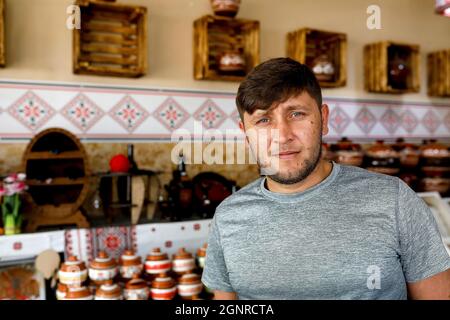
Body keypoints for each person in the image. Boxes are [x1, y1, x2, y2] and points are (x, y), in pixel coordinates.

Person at [201, 57, 450, 300]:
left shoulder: (394, 199)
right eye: (263, 120)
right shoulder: (228, 216)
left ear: (324, 119)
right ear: (246, 134)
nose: (282, 136)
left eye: (296, 114)